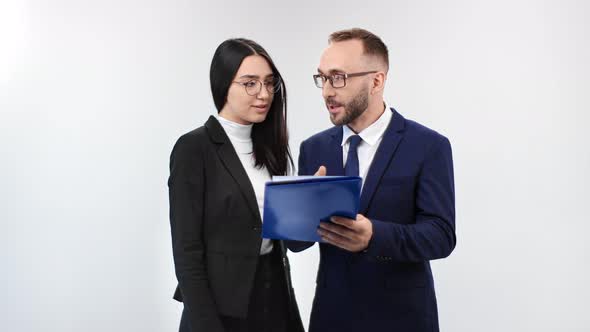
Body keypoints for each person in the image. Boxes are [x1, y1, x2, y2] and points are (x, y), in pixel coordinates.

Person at [288, 28, 456, 332]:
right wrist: (298, 211)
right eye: (322, 78)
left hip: (402, 320)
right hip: (332, 319)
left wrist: (374, 236)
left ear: (376, 80)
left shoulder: (429, 146)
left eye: (338, 77)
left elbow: (441, 235)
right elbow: (297, 243)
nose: (327, 91)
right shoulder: (314, 149)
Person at [168, 38, 304, 332]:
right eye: (250, 83)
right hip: (219, 312)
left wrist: (312, 204)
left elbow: (288, 241)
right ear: (223, 85)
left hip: (274, 303)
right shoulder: (194, 148)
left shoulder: (269, 147)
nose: (264, 94)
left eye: (269, 83)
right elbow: (187, 252)